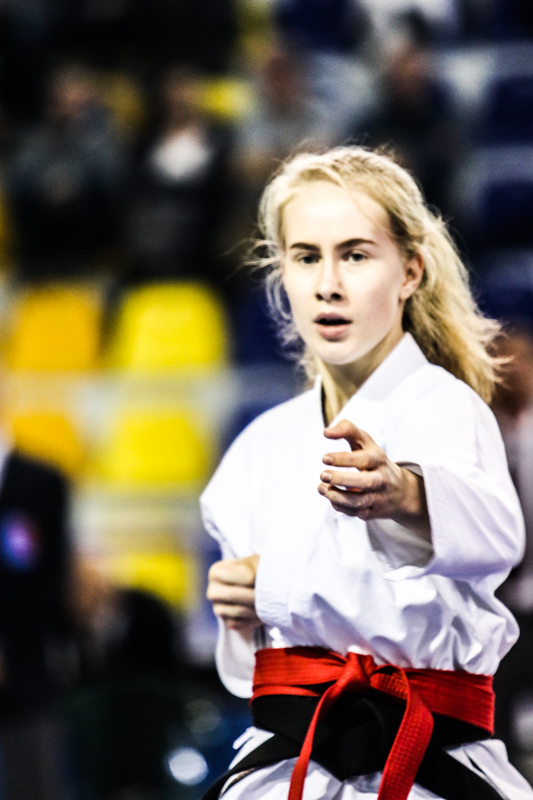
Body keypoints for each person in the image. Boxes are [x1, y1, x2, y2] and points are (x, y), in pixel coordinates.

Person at [200, 146, 532, 800]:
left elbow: (497, 536)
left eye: (354, 255)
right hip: (288, 764)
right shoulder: (259, 446)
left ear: (409, 271)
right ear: (282, 273)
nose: (328, 284)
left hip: (423, 760)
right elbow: (255, 674)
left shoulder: (447, 409)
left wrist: (406, 493)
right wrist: (240, 616)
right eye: (306, 257)